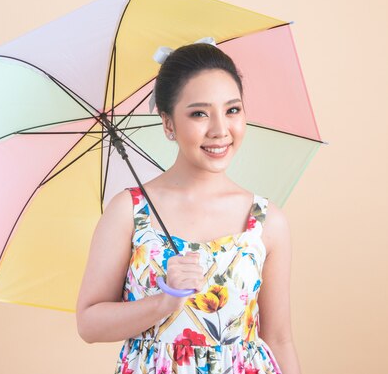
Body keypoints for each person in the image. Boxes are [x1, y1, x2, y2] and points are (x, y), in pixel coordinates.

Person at [75, 41, 302, 374]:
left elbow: (279, 339)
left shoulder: (266, 222)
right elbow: (89, 323)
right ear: (168, 123)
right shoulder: (131, 211)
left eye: (232, 110)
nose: (220, 130)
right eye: (199, 113)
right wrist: (164, 302)